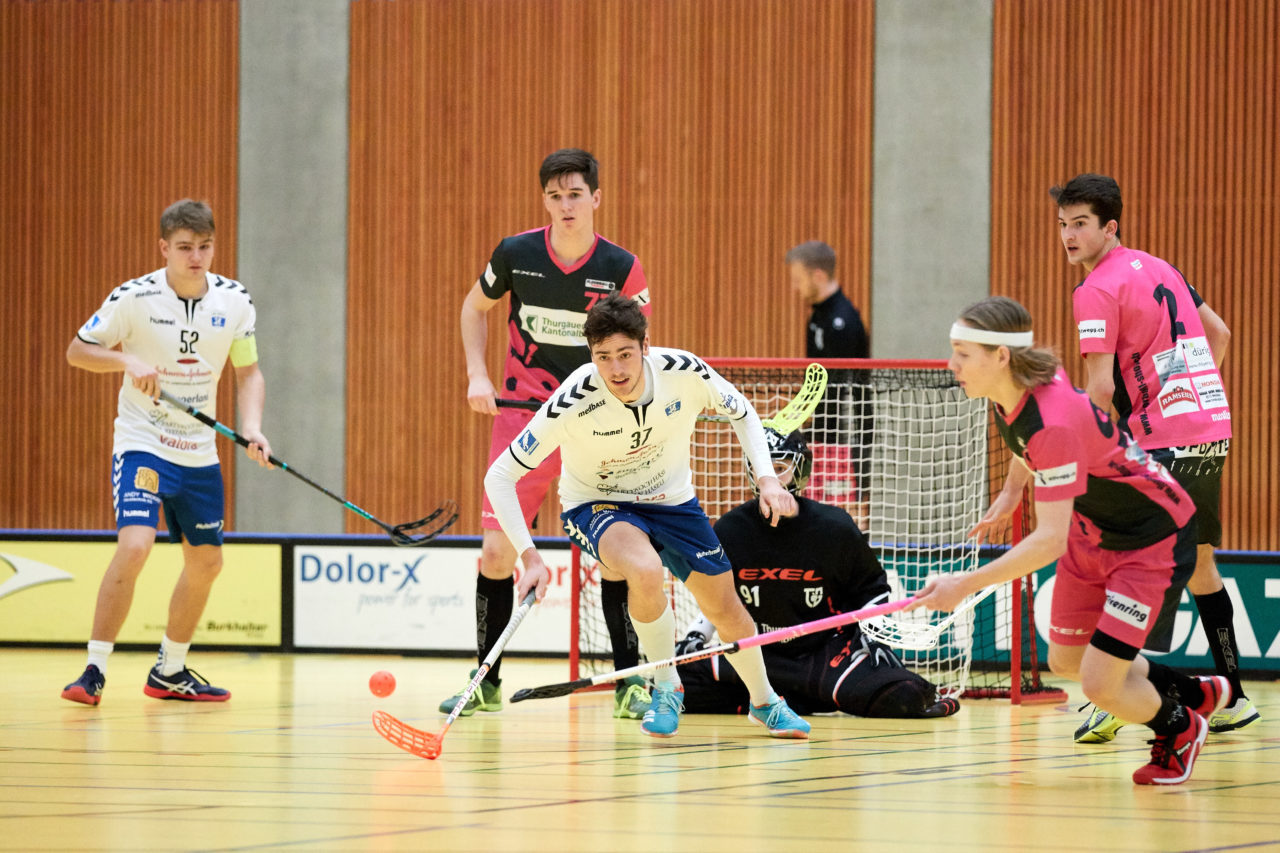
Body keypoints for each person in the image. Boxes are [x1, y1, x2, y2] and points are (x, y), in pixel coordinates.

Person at [915, 295, 1229, 785]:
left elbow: (1047, 542)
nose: (951, 364)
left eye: (963, 353)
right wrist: (1009, 494)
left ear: (1001, 356)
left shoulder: (1053, 421)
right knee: (1066, 657)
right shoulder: (1014, 393)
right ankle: (1191, 692)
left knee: (1100, 684)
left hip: (1151, 537)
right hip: (1094, 532)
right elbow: (1029, 448)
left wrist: (965, 584)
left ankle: (1180, 727)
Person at [486, 293, 811, 739]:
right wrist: (530, 557)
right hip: (596, 504)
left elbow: (744, 413)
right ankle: (665, 685)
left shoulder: (684, 371)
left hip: (673, 503)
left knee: (727, 609)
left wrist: (768, 479)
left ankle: (765, 702)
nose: (616, 370)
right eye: (603, 357)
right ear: (591, 355)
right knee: (644, 568)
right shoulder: (575, 398)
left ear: (645, 346)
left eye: (625, 354)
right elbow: (499, 477)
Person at [1052, 173, 1257, 739]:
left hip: (1163, 440)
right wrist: (1189, 395)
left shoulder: (1094, 290)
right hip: (1211, 428)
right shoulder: (1160, 266)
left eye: (1081, 224)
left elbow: (1096, 391)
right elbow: (1220, 334)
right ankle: (1234, 695)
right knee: (1202, 564)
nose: (1068, 236)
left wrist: (1094, 454)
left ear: (1109, 227)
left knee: (1141, 569)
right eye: (1063, 224)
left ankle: (1115, 694)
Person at [451, 148, 653, 719]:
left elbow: (637, 350)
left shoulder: (621, 267)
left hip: (596, 424)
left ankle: (629, 682)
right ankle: (486, 680)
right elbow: (474, 309)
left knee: (615, 553)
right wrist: (477, 373)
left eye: (574, 195)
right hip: (524, 418)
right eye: (554, 196)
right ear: (545, 200)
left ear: (596, 199)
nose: (565, 206)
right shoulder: (517, 254)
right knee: (495, 552)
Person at [61, 199, 272, 706]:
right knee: (135, 544)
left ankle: (170, 671)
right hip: (144, 441)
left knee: (207, 562)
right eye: (184, 248)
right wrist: (126, 359)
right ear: (164, 248)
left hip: (198, 451)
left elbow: (248, 372)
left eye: (204, 247)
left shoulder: (235, 302)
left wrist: (252, 429)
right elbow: (77, 351)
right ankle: (93, 668)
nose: (196, 258)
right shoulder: (133, 298)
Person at [674, 428, 958, 720]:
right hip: (755, 656)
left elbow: (873, 591)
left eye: (780, 468)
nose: (770, 478)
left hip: (823, 657)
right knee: (674, 683)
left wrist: (876, 639)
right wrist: (697, 635)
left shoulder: (834, 528)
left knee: (903, 697)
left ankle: (792, 697)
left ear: (800, 470)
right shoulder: (729, 530)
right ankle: (787, 699)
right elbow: (720, 597)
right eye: (762, 468)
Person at [785, 240, 871, 507]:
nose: (795, 288)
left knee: (839, 507)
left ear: (818, 276)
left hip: (843, 438)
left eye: (799, 280)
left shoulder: (842, 322)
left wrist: (849, 445)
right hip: (822, 435)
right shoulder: (818, 317)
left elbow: (841, 390)